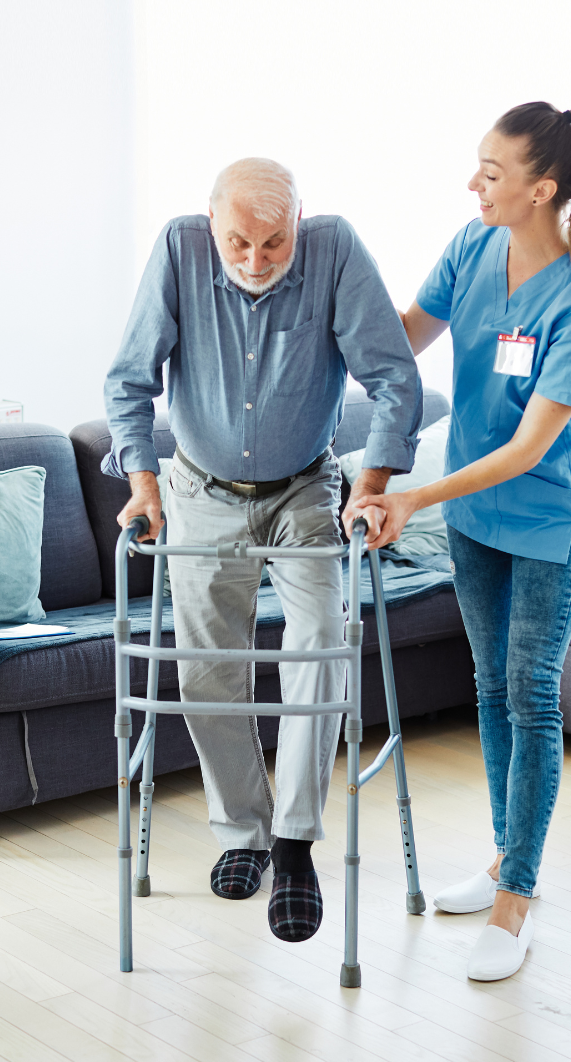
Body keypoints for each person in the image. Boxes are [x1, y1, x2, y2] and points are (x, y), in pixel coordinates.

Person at [103, 158, 421, 943]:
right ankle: (243, 834)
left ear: (300, 222)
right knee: (206, 665)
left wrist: (370, 486)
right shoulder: (178, 250)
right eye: (239, 241)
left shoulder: (334, 249)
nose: (255, 260)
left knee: (320, 645)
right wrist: (144, 486)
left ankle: (295, 841)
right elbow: (127, 382)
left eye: (275, 243)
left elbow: (394, 377)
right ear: (211, 224)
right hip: (199, 490)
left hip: (306, 489)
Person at [353, 102, 571, 981]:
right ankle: (507, 855)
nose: (475, 183)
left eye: (493, 172)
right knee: (491, 685)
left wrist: (415, 494)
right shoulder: (472, 249)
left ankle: (519, 900)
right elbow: (402, 342)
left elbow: (529, 448)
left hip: (545, 516)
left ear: (543, 188)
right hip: (476, 515)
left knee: (531, 692)